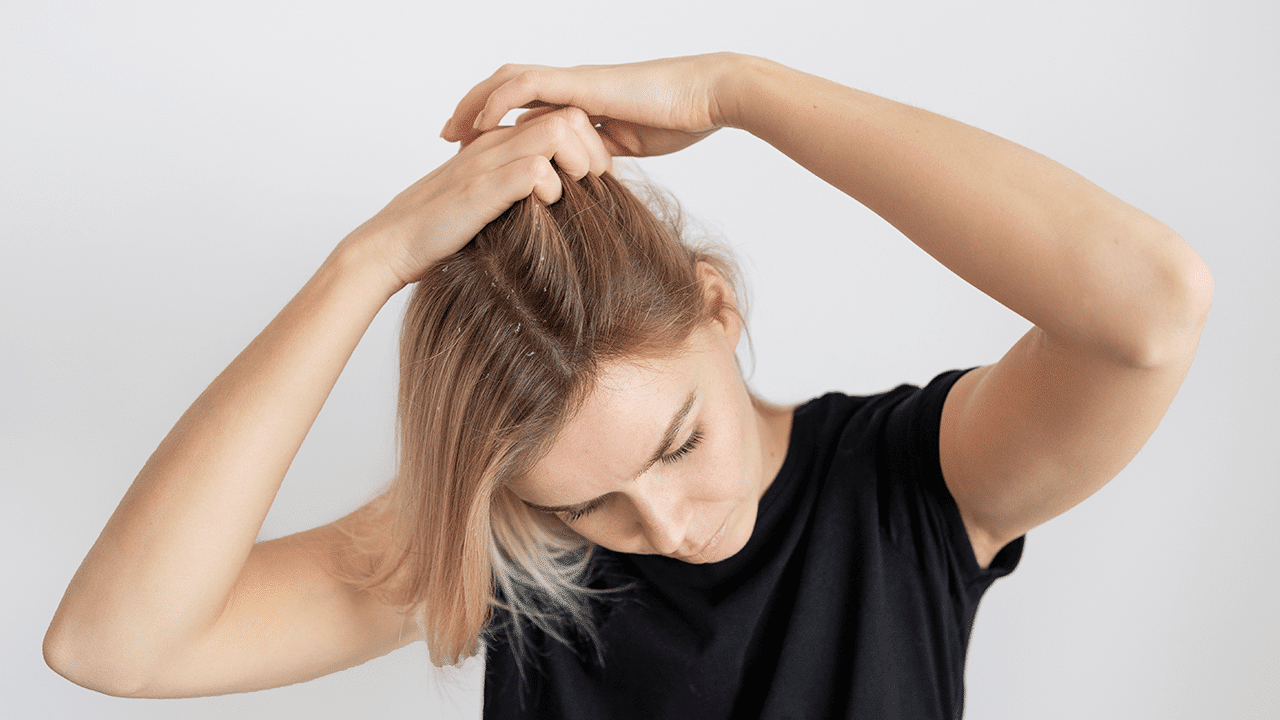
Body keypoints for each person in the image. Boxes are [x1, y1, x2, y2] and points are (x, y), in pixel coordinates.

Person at [44, 53, 1212, 717]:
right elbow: (114, 646)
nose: (665, 529)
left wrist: (733, 93)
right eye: (581, 505)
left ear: (718, 304)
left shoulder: (916, 487)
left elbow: (1150, 305)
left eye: (674, 444)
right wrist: (370, 263)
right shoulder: (503, 554)